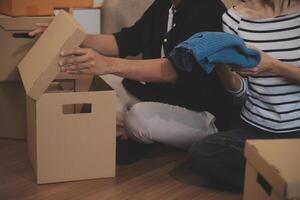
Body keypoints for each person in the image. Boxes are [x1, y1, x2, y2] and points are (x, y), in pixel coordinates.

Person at [31, 0, 234, 153]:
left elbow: (173, 71)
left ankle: (153, 133)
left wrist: (107, 64)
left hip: (201, 111)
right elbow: (124, 41)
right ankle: (145, 130)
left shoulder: (207, 9)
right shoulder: (164, 5)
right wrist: (71, 35)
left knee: (138, 118)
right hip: (161, 96)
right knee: (100, 85)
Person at [189, 0, 300, 191]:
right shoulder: (233, 19)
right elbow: (241, 92)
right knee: (201, 153)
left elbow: (268, 64)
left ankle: (269, 180)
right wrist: (219, 64)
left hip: (296, 131)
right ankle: (282, 181)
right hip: (255, 129)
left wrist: (273, 65)